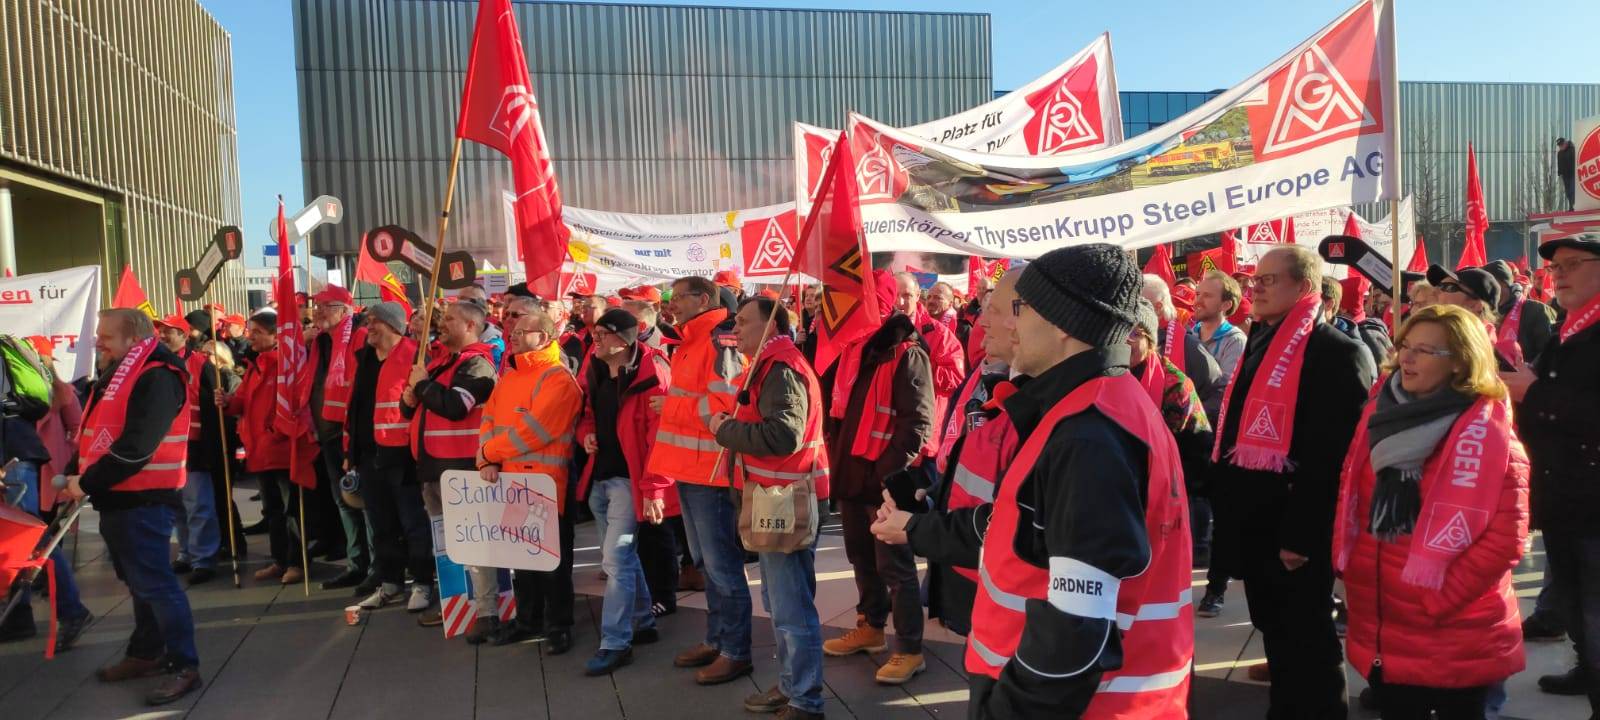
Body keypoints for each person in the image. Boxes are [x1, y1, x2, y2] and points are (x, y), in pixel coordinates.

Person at [875, 244, 1193, 718]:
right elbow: (1019, 528)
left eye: (1019, 309)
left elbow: (1076, 629)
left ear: (1063, 323)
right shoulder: (1092, 407)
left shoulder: (1089, 432)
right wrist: (917, 529)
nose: (1004, 324)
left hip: (1090, 705)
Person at [1333, 304, 1528, 720]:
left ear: (1460, 362)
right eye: (1405, 345)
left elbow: (1506, 539)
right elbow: (1351, 496)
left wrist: (1436, 597)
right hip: (1386, 621)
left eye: (1425, 350)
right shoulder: (1379, 414)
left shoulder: (1489, 433)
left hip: (1455, 628)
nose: (1406, 357)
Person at [1211, 245, 1374, 719]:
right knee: (1278, 634)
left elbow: (1334, 460)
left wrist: (1302, 534)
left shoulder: (1337, 352)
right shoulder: (1261, 339)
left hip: (1294, 529)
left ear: (1304, 288)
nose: (1254, 289)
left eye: (1268, 280)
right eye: (1254, 280)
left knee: (1309, 641)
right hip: (1257, 520)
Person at [61, 309, 200, 705]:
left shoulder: (155, 375)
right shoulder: (124, 371)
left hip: (144, 498)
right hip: (121, 497)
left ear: (133, 339)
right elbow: (99, 435)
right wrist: (78, 475)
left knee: (156, 584)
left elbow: (136, 446)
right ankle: (146, 652)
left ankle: (184, 666)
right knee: (141, 582)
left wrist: (84, 482)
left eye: (106, 336)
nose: (97, 342)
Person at [710, 297, 830, 719]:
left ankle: (804, 699)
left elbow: (783, 436)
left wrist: (725, 430)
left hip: (785, 498)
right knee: (783, 605)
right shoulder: (771, 364)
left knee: (791, 606)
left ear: (771, 325)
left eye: (744, 321)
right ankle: (793, 687)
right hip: (775, 497)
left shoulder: (781, 367)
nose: (735, 327)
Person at [1503, 234, 1600, 711]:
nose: (1558, 274)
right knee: (1575, 603)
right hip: (1564, 497)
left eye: (1571, 264)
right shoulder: (1569, 329)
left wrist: (1533, 393)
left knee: (1595, 609)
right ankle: (1587, 669)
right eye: (1554, 268)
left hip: (1593, 500)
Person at [824, 269, 935, 686]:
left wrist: (887, 474)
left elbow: (918, 423)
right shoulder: (854, 348)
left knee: (896, 568)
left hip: (887, 477)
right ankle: (870, 627)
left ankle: (908, 649)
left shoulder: (907, 352)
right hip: (854, 474)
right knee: (860, 557)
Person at [649, 275, 751, 684]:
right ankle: (717, 639)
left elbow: (725, 405)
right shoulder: (691, 340)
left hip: (711, 470)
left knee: (722, 565)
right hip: (690, 469)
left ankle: (736, 650)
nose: (671, 304)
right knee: (708, 564)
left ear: (704, 298)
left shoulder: (719, 339)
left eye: (678, 297)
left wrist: (674, 402)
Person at [912, 271, 1023, 638]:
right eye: (984, 309)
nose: (981, 320)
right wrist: (936, 494)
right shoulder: (984, 373)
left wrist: (914, 529)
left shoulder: (1032, 398)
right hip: (963, 537)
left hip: (991, 566)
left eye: (996, 310)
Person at [571, 308, 674, 670]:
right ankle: (643, 622)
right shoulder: (595, 366)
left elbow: (661, 439)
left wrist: (655, 490)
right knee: (623, 559)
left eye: (601, 334)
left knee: (614, 561)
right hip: (600, 477)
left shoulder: (652, 373)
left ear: (623, 339)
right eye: (594, 334)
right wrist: (586, 436)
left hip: (629, 481)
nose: (593, 340)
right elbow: (585, 412)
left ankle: (616, 642)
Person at [475, 310, 582, 649]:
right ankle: (528, 621)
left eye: (524, 331)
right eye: (514, 330)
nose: (515, 335)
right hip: (513, 481)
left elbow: (533, 433)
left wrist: (490, 452)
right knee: (523, 561)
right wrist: (488, 457)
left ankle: (558, 626)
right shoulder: (510, 376)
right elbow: (488, 417)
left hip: (546, 483)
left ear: (546, 337)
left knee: (553, 563)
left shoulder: (558, 379)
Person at [402, 300, 498, 624]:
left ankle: (486, 611)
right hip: (435, 467)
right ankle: (456, 607)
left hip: (461, 467)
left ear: (470, 325)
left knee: (473, 543)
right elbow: (418, 409)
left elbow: (456, 406)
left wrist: (422, 385)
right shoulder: (441, 362)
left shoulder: (477, 364)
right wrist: (410, 398)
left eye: (450, 319)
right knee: (448, 548)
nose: (441, 323)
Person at [0, 336, 93, 650]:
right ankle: (22, 614)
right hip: (21, 455)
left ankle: (69, 610)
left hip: (13, 457)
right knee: (21, 540)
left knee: (28, 540)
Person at [347, 303, 434, 610]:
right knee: (381, 524)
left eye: (376, 321)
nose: (368, 326)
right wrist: (352, 453)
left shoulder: (416, 355)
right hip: (370, 455)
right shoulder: (366, 358)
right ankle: (390, 582)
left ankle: (423, 583)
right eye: (368, 321)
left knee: (413, 523)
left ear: (395, 327)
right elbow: (358, 409)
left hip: (403, 456)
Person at [1131, 297, 1214, 564]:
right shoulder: (1109, 376)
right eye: (1121, 331)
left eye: (1135, 333)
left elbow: (1198, 447)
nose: (1126, 340)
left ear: (1150, 339)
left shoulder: (1175, 384)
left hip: (1167, 492)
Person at [224, 311, 305, 585]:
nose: (250, 336)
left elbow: (292, 404)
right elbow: (243, 401)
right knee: (272, 510)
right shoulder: (256, 364)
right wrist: (227, 401)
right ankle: (279, 560)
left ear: (275, 335)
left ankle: (296, 562)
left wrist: (274, 433)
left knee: (290, 510)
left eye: (257, 331)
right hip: (259, 449)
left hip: (279, 450)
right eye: (250, 330)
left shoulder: (285, 365)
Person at [309, 286, 372, 591]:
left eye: (325, 305)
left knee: (364, 502)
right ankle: (356, 563)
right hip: (327, 432)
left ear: (345, 309)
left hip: (351, 434)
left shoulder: (358, 336)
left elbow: (362, 388)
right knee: (343, 501)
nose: (317, 310)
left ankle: (376, 568)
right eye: (315, 305)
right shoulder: (320, 341)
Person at [153, 314, 222, 585]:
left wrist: (211, 448)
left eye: (169, 331)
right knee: (176, 507)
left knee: (199, 505)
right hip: (165, 447)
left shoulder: (201, 364)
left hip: (194, 446)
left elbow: (211, 408)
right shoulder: (154, 363)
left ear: (184, 335)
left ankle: (204, 559)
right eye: (160, 331)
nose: (162, 335)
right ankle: (186, 554)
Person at [894, 271, 966, 493]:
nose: (900, 302)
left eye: (907, 295)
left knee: (920, 511)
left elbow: (956, 378)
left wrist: (921, 368)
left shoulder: (939, 335)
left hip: (923, 443)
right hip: (889, 439)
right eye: (895, 295)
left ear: (918, 297)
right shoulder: (881, 332)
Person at [1142, 274, 1223, 419]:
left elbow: (1217, 393)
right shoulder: (1135, 341)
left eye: (1139, 304)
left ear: (1158, 308)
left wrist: (1187, 418)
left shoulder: (1189, 345)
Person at [1482, 259, 1558, 367]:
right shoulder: (1484, 312)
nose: (1485, 289)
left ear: (1503, 283)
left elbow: (1549, 351)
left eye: (1489, 283)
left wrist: (1529, 371)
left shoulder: (1537, 310)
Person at [1333, 274, 1394, 369]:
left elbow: (1384, 372)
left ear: (1343, 308)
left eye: (1335, 303)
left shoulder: (1368, 335)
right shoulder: (1356, 330)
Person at [457, 285, 506, 366]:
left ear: (479, 304)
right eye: (458, 299)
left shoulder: (494, 344)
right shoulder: (452, 337)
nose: (457, 303)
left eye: (462, 299)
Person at [1557, 138, 1576, 211]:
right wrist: (1559, 173)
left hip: (1572, 174)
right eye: (1559, 146)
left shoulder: (1572, 150)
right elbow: (1559, 163)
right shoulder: (1559, 153)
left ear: (1565, 143)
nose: (1560, 147)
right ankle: (1571, 206)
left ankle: (1573, 206)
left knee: (1572, 190)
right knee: (1567, 192)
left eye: (1561, 145)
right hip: (1565, 175)